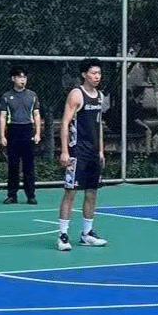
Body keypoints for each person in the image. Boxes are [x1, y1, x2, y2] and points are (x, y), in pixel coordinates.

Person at [57, 58, 108, 250]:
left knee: (92, 193)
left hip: (93, 153)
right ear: (84, 74)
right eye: (94, 73)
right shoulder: (76, 94)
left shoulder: (100, 96)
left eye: (99, 73)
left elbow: (99, 125)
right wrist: (64, 151)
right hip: (77, 152)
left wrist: (101, 150)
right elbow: (64, 123)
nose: (97, 76)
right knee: (70, 192)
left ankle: (87, 234)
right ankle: (63, 235)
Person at [0, 66, 41, 205]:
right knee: (13, 165)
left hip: (27, 130)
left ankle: (31, 195)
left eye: (24, 77)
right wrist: (2, 136)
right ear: (13, 79)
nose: (22, 80)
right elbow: (3, 116)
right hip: (13, 130)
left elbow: (36, 114)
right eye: (19, 77)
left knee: (29, 165)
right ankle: (12, 195)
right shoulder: (6, 96)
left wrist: (38, 133)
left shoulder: (32, 95)